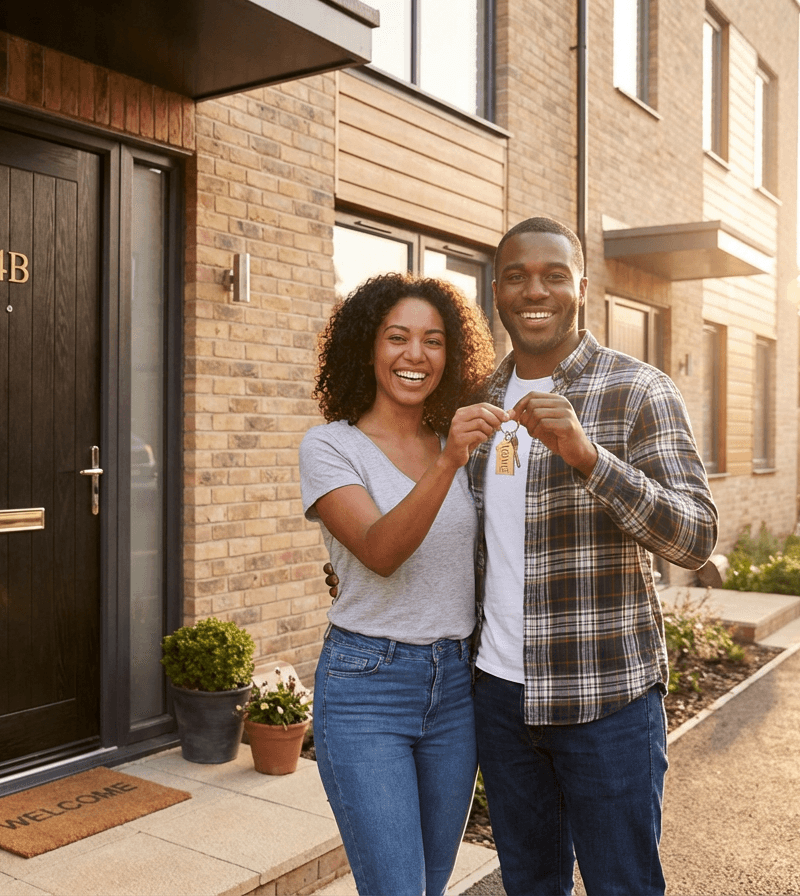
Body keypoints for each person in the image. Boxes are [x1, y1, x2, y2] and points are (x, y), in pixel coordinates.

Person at [469, 216, 718, 895]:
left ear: (583, 285)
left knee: (623, 885)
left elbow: (695, 537)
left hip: (605, 699)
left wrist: (590, 459)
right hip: (501, 700)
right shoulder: (481, 402)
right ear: (498, 290)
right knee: (529, 883)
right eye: (517, 276)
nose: (534, 290)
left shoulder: (639, 390)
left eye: (554, 274)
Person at [299, 272, 499, 896]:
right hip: (367, 689)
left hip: (455, 688)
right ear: (368, 347)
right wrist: (448, 465)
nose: (416, 355)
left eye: (434, 340)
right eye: (398, 338)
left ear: (453, 354)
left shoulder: (456, 443)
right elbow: (382, 550)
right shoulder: (331, 447)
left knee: (428, 885)